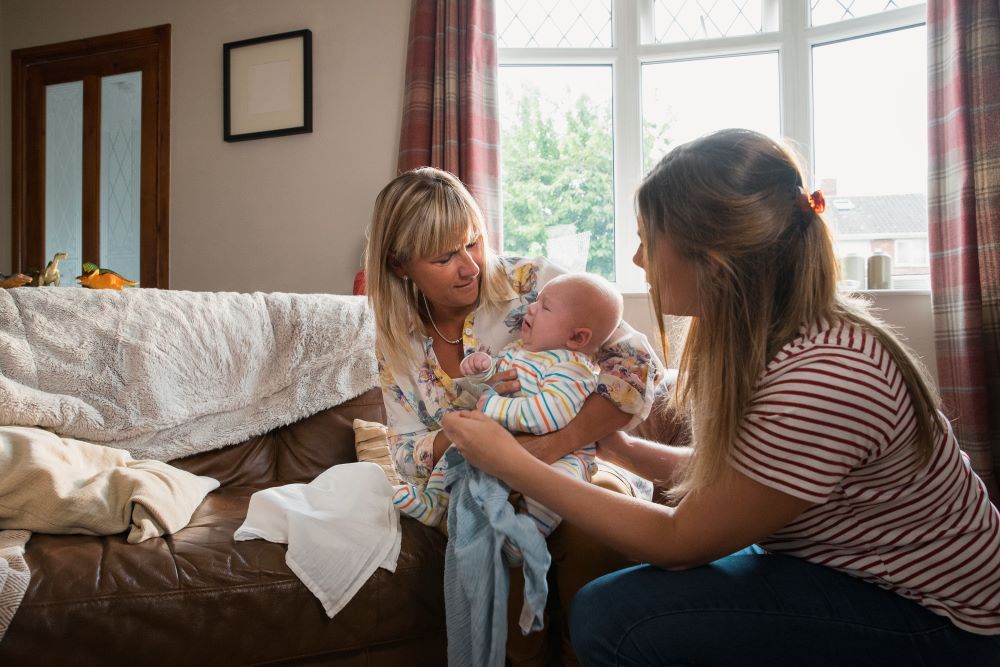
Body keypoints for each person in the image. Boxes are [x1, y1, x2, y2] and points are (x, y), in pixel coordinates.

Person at [442, 129, 1000, 666]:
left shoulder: (825, 376)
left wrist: (510, 460)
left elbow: (679, 539)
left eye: (647, 241)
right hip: (843, 569)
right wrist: (619, 448)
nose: (638, 261)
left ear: (712, 261)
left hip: (942, 619)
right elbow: (743, 476)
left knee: (610, 616)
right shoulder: (776, 338)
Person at [363, 167, 665, 665]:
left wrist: (550, 445)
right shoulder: (395, 339)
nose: (470, 267)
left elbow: (637, 368)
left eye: (473, 243)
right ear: (401, 266)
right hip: (475, 485)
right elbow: (405, 453)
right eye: (444, 257)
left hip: (574, 465)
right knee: (490, 541)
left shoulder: (536, 284)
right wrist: (463, 430)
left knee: (595, 522)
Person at [393, 273, 625, 564]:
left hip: (561, 454)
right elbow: (499, 377)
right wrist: (483, 369)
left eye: (545, 308)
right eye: (537, 301)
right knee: (458, 446)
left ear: (577, 337)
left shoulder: (572, 369)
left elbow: (550, 414)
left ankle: (523, 540)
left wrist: (492, 407)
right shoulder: (520, 350)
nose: (531, 308)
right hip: (507, 438)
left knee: (556, 490)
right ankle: (434, 503)